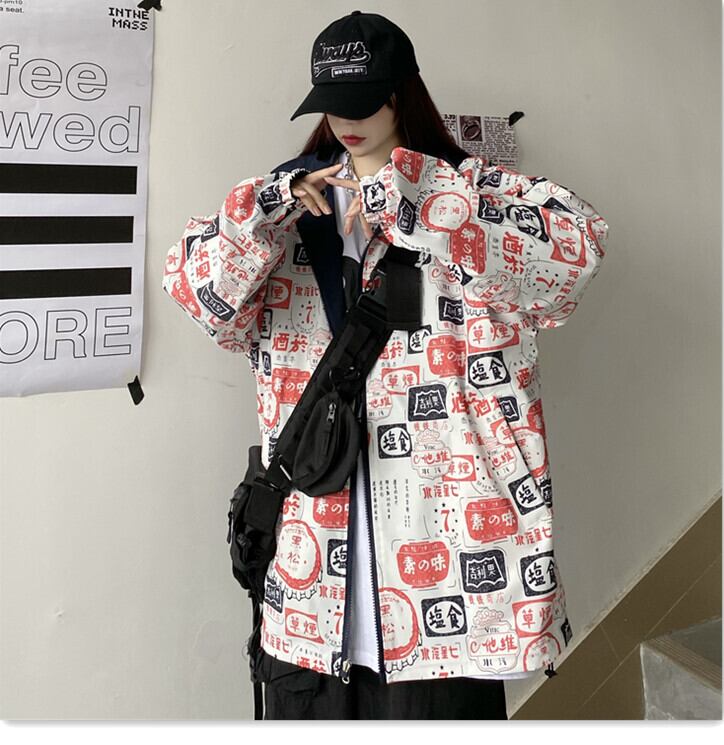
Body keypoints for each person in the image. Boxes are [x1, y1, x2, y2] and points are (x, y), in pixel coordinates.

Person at [162, 10, 609, 721]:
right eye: (332, 103)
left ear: (403, 93)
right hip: (308, 600)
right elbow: (200, 300)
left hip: (451, 599)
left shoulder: (472, 196)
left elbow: (576, 256)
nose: (347, 120)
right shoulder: (284, 211)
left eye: (364, 100)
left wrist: (420, 201)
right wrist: (265, 212)